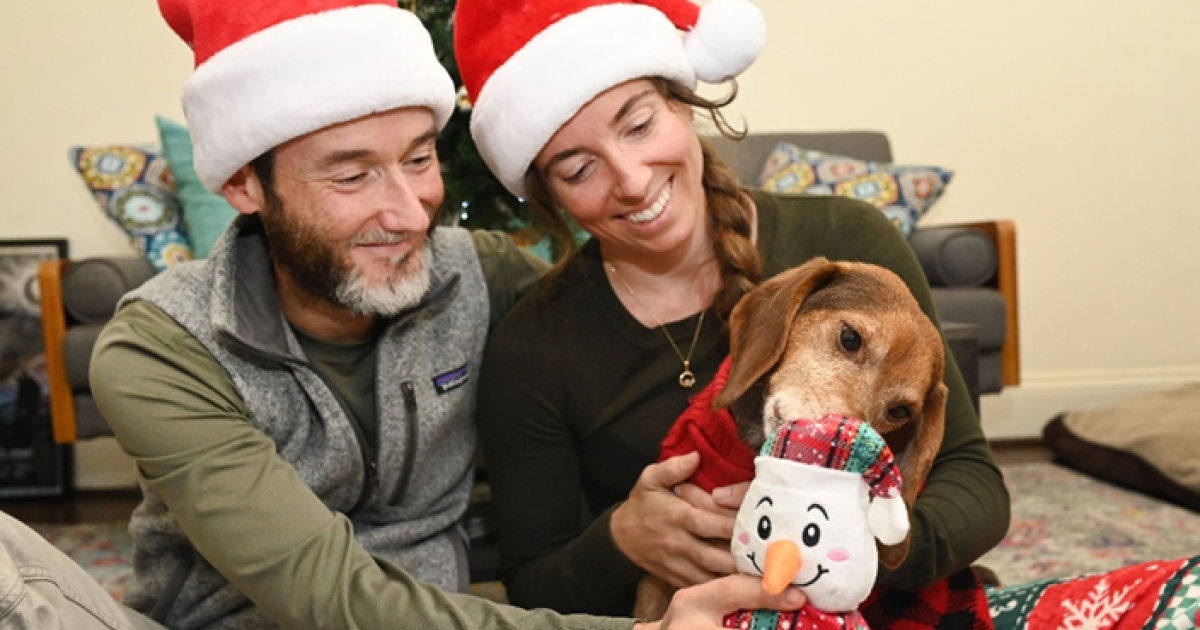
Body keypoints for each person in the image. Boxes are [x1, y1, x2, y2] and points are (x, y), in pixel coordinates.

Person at [0, 0, 810, 628]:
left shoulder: (477, 277)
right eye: (351, 176)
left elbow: (622, 343)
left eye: (419, 159)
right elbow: (323, 592)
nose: (411, 211)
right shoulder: (161, 350)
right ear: (246, 185)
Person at [455, 0, 1012, 618]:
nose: (633, 180)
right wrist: (622, 540)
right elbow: (533, 584)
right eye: (579, 168)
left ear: (683, 103)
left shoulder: (848, 245)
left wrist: (846, 551)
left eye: (638, 125)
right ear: (548, 196)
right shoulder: (532, 348)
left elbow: (974, 481)